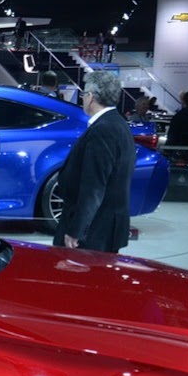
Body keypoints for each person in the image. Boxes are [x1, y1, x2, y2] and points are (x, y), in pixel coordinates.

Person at [55, 70, 134, 253]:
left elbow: (94, 188)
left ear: (90, 97)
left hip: (95, 230)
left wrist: (76, 230)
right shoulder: (118, 123)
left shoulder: (103, 130)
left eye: (83, 94)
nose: (82, 99)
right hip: (104, 225)